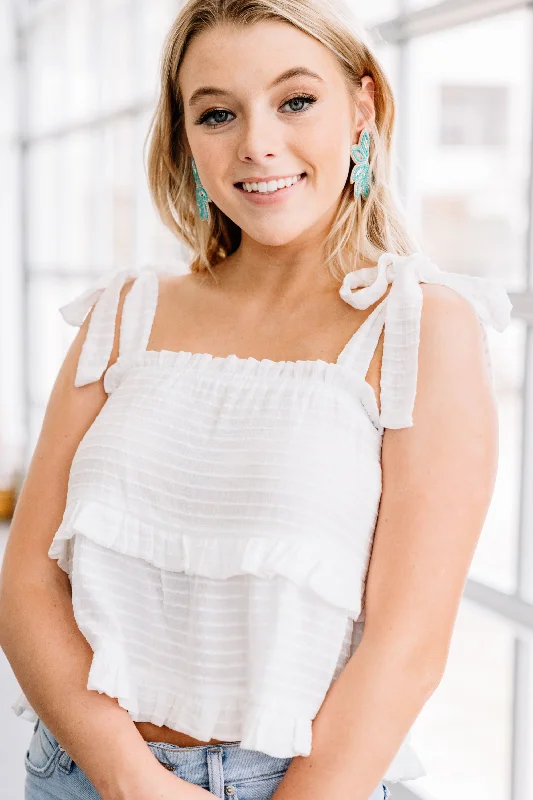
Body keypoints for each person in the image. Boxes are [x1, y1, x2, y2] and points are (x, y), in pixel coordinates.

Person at [0, 0, 513, 798]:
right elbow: (29, 582)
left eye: (295, 101)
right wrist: (131, 781)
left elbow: (404, 645)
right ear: (185, 139)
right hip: (85, 776)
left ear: (362, 108)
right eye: (216, 113)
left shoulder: (420, 326)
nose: (257, 144)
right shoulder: (121, 314)